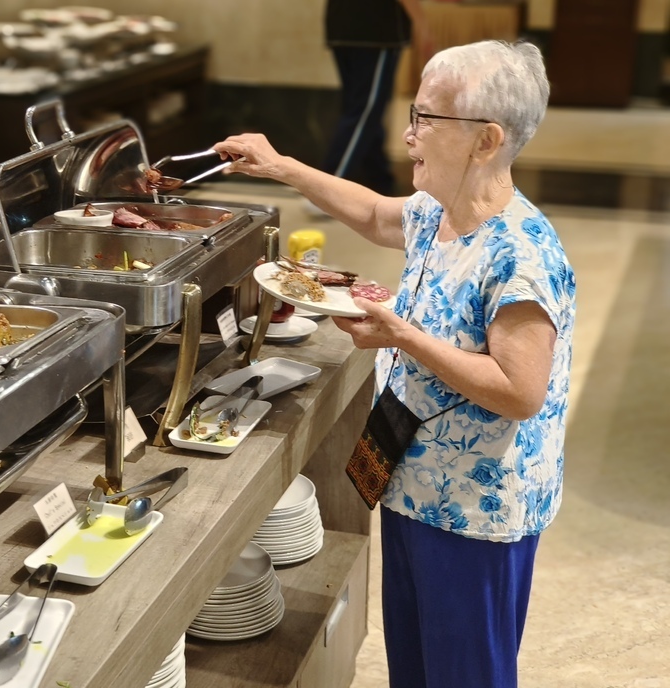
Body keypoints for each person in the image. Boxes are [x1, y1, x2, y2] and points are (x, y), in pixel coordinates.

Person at [213, 40, 576, 688]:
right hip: (414, 483)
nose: (409, 135)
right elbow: (379, 215)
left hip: (475, 509)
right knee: (415, 665)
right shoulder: (440, 212)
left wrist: (401, 336)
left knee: (465, 674)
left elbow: (521, 391)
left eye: (426, 119)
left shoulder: (520, 255)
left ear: (486, 140)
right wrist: (282, 166)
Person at [315, 0, 435, 196]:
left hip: (339, 30)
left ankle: (378, 178)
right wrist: (421, 24)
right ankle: (327, 189)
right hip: (378, 34)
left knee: (363, 106)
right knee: (365, 110)